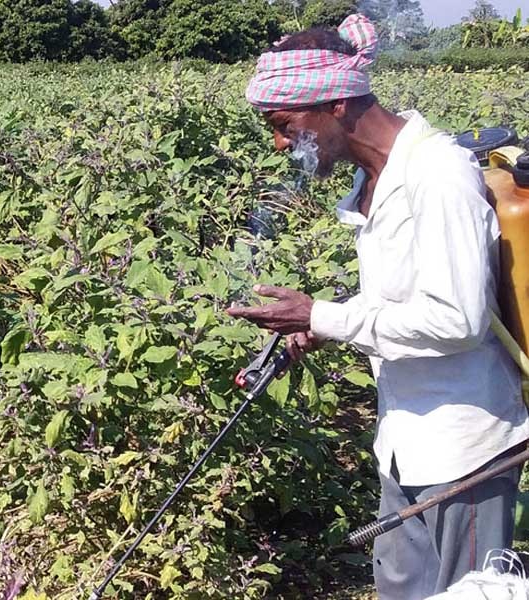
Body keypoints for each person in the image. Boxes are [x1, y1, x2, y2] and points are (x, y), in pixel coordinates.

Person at [226, 13, 529, 600]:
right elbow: (408, 295)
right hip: (403, 444)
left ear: (335, 103)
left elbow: (457, 320)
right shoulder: (372, 181)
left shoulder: (437, 175)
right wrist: (320, 327)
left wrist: (322, 315)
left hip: (463, 453)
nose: (281, 143)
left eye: (284, 124)